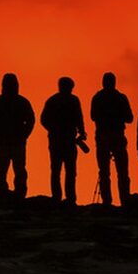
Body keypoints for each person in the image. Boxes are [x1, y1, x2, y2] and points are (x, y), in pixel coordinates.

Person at [0, 72, 35, 197]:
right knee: (5, 169)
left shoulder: (1, 101)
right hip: (7, 141)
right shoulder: (18, 101)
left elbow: (31, 120)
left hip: (12, 141)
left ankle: (15, 193)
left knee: (15, 170)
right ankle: (7, 193)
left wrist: (24, 134)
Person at [40, 76, 87, 204]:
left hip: (58, 140)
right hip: (67, 140)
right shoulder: (73, 100)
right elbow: (79, 118)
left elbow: (43, 120)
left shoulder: (53, 100)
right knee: (68, 170)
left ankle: (58, 198)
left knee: (57, 170)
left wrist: (53, 130)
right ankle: (69, 198)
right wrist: (81, 132)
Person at [90, 71, 133, 205]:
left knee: (104, 171)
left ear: (103, 82)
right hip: (118, 136)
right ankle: (125, 200)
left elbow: (93, 116)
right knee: (122, 171)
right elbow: (129, 118)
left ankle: (106, 201)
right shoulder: (121, 98)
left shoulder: (97, 97)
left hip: (102, 136)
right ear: (114, 82)